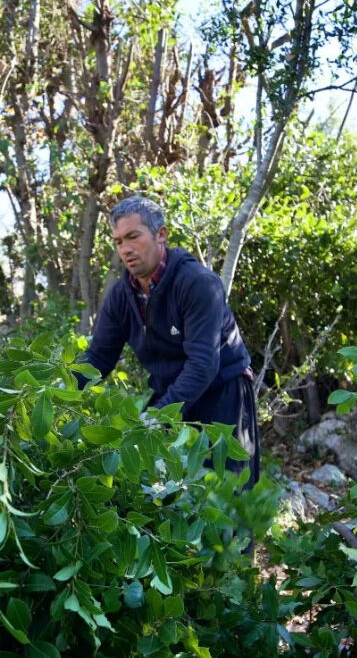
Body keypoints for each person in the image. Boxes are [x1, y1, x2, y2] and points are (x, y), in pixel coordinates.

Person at [79, 195, 260, 484]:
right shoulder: (120, 296)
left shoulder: (197, 283)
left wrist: (157, 416)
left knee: (228, 497)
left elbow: (203, 364)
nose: (125, 249)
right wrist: (56, 390)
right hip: (170, 394)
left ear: (160, 234)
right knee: (169, 493)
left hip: (222, 391)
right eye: (118, 241)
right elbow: (98, 358)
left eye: (133, 237)